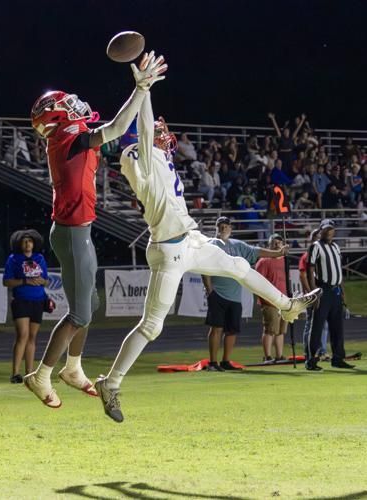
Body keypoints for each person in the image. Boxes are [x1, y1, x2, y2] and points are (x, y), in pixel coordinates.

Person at [94, 86, 321, 423]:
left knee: (238, 265)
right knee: (152, 326)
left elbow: (147, 130)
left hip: (189, 240)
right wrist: (144, 88)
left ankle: (288, 307)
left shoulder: (156, 156)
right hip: (169, 248)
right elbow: (143, 128)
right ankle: (110, 384)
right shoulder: (136, 154)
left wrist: (146, 96)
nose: (165, 133)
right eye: (160, 130)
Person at [24, 51, 168, 408]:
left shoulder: (70, 135)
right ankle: (40, 375)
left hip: (77, 230)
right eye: (67, 104)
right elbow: (117, 128)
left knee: (91, 301)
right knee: (80, 314)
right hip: (72, 233)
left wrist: (146, 109)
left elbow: (118, 133)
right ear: (59, 116)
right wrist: (140, 89)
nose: (75, 104)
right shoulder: (66, 137)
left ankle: (73, 367)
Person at [203, 217, 289, 372]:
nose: (223, 229)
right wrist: (209, 290)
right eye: (220, 226)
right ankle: (212, 362)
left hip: (235, 295)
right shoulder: (211, 245)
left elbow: (256, 251)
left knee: (232, 330)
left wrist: (277, 253)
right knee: (216, 328)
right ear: (216, 228)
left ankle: (226, 361)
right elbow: (204, 268)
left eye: (226, 226)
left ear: (230, 228)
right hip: (218, 293)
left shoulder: (238, 245)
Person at [306, 219, 354, 371]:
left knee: (337, 327)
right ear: (320, 231)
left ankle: (338, 358)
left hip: (335, 291)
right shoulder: (315, 246)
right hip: (323, 290)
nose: (329, 232)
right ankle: (312, 359)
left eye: (331, 229)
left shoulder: (335, 247)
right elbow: (310, 269)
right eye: (326, 230)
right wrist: (314, 293)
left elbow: (338, 270)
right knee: (317, 326)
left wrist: (343, 292)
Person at [3, 230, 49, 383]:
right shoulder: (13, 259)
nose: (27, 243)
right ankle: (15, 373)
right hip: (21, 300)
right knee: (22, 335)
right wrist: (25, 281)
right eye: (24, 241)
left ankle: (29, 373)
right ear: (19, 244)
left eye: (30, 241)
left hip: (38, 301)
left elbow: (47, 280)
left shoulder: (40, 258)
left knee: (32, 337)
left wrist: (40, 281)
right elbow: (6, 282)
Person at [255, 234, 289, 363]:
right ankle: (267, 356)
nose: (276, 245)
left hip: (283, 299)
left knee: (280, 331)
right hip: (270, 300)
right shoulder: (264, 261)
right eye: (274, 243)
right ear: (269, 245)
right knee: (270, 329)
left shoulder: (284, 260)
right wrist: (264, 298)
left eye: (279, 243)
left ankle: (279, 356)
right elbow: (258, 281)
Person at [299, 228, 329, 360]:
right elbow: (302, 275)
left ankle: (322, 351)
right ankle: (309, 352)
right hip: (314, 294)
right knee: (311, 323)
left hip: (324, 293)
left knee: (324, 324)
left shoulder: (323, 254)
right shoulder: (307, 256)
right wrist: (311, 293)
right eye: (316, 237)